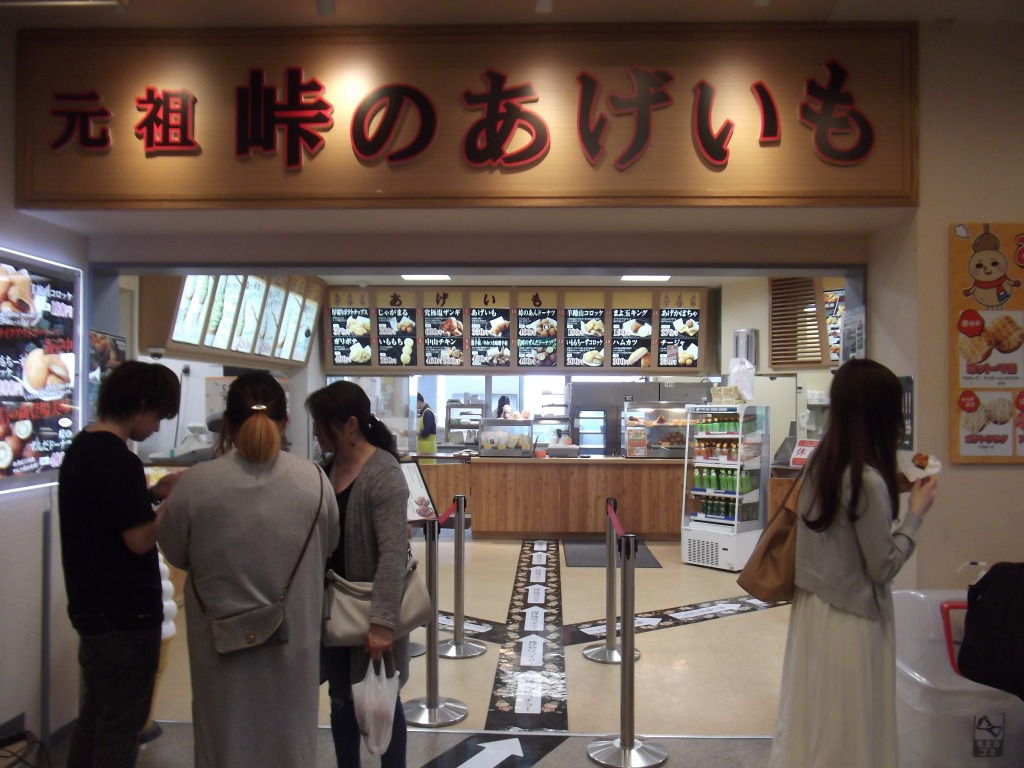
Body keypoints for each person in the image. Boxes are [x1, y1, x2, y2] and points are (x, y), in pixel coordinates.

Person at [158, 372, 339, 768]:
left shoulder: (194, 485)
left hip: (218, 644)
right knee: (290, 741)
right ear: (286, 421)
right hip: (294, 645)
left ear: (227, 423)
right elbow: (327, 546)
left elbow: (175, 552)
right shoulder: (314, 481)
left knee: (225, 740)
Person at [768, 359, 938, 768]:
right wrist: (915, 514)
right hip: (852, 621)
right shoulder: (867, 481)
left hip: (813, 611)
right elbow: (884, 567)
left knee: (816, 722)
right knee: (852, 729)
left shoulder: (821, 465)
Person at [57, 360, 181, 768]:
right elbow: (140, 540)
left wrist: (152, 494)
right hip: (125, 620)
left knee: (94, 721)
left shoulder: (82, 449)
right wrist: (175, 501)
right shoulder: (118, 459)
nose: (157, 427)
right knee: (120, 731)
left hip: (93, 613)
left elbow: (107, 517)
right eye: (158, 415)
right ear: (141, 403)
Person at [306, 381, 412, 768]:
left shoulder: (382, 473)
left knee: (382, 700)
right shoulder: (325, 469)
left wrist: (382, 623)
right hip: (336, 611)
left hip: (369, 611)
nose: (316, 431)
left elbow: (393, 553)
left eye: (322, 423)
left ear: (350, 425)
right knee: (340, 699)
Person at [416, 392, 436, 460]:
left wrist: (414, 433)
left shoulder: (428, 413)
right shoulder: (424, 413)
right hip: (423, 449)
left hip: (428, 450)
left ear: (419, 401)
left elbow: (426, 432)